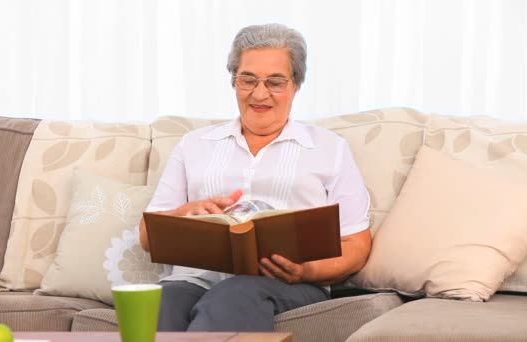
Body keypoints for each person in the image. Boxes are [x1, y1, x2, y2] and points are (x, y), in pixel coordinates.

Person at [139, 23, 372, 332]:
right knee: (161, 301)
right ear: (234, 82)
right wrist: (186, 212)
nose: (260, 94)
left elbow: (356, 243)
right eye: (248, 79)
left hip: (289, 283)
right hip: (195, 278)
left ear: (295, 85)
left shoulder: (330, 149)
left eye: (275, 82)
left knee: (231, 296)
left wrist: (305, 269)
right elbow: (147, 234)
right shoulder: (194, 145)